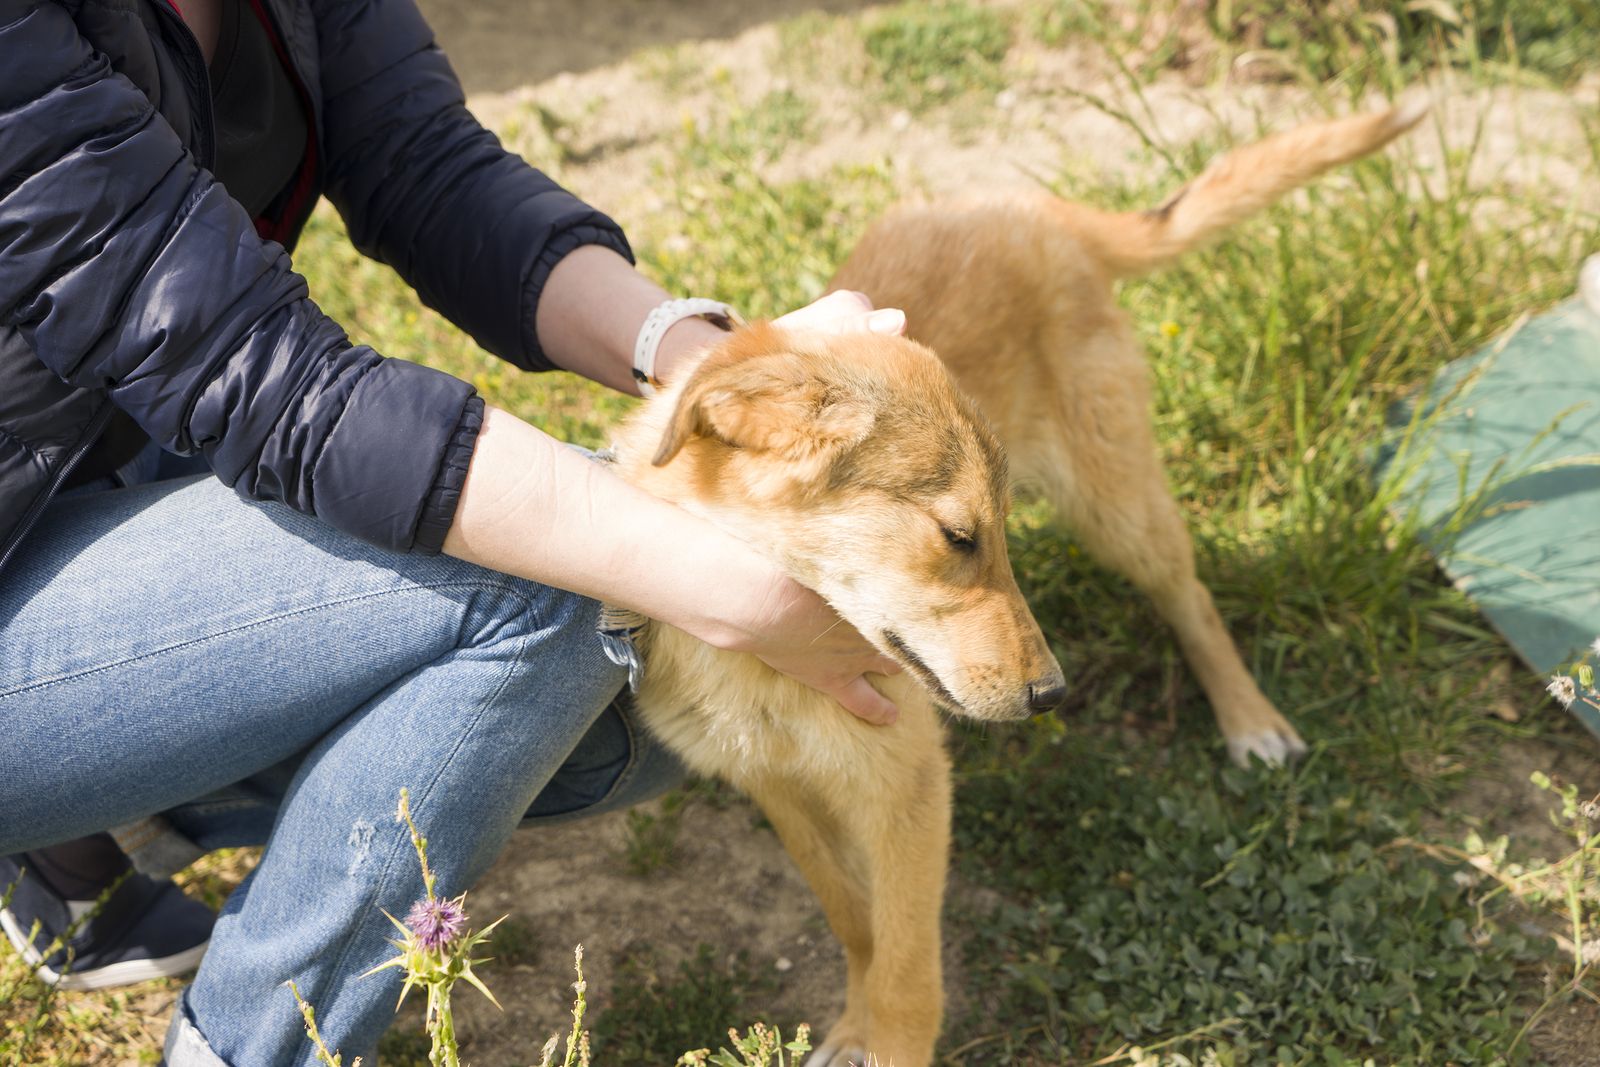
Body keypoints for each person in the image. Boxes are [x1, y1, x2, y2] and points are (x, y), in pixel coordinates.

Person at [0, 0, 906, 1062]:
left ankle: (72, 838)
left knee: (646, 689)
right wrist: (735, 587)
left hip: (88, 475)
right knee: (571, 585)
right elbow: (263, 381)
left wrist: (704, 362)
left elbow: (430, 170)